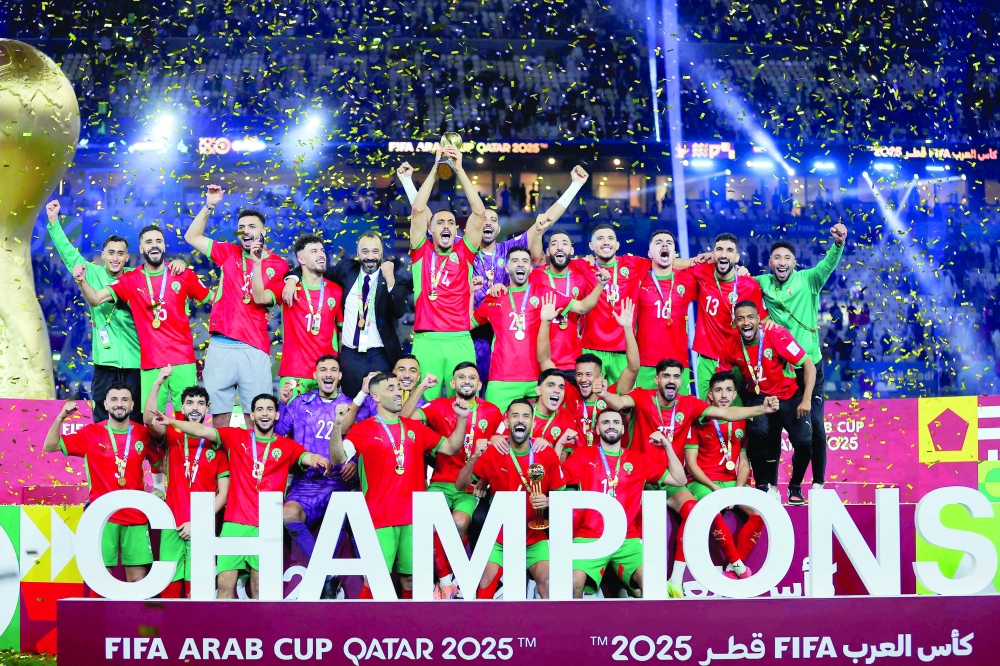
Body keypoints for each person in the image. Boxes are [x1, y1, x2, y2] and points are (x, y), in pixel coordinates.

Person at [597, 359, 779, 598]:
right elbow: (620, 401)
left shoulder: (689, 405)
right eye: (666, 375)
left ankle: (675, 580)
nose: (671, 380)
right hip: (637, 481)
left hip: (670, 480)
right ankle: (625, 586)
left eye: (676, 376)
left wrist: (761, 409)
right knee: (629, 534)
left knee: (694, 509)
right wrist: (604, 394)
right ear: (657, 379)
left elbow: (726, 412)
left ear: (681, 381)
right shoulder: (642, 397)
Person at [150, 394, 332, 599]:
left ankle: (261, 632)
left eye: (269, 409)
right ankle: (219, 632)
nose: (265, 413)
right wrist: (173, 422)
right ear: (252, 415)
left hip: (267, 525)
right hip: (234, 523)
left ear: (277, 414)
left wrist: (318, 459)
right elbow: (202, 430)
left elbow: (307, 457)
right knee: (225, 586)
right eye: (260, 409)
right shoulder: (236, 437)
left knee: (260, 589)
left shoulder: (287, 446)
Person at [338, 371, 470, 599]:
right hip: (379, 518)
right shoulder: (363, 429)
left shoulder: (414, 428)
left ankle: (407, 627)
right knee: (376, 579)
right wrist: (335, 429)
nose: (398, 392)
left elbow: (450, 447)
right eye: (391, 388)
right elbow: (339, 458)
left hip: (412, 518)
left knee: (410, 578)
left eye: (398, 387)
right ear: (376, 397)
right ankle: (363, 629)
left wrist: (461, 419)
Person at [184, 185, 289, 428]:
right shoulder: (227, 252)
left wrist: (257, 263)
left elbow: (261, 298)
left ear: (263, 231)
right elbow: (192, 237)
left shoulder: (278, 264)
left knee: (257, 419)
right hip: (221, 346)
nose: (246, 231)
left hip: (254, 347)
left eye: (252, 226)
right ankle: (222, 466)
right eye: (241, 228)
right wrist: (210, 205)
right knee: (219, 417)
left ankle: (253, 465)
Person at [74, 225, 209, 412]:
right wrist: (82, 281)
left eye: (158, 241)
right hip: (150, 364)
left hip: (183, 360)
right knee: (152, 422)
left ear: (164, 245)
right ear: (141, 249)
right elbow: (96, 299)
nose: (154, 245)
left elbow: (213, 299)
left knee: (188, 417)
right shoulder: (130, 280)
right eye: (149, 242)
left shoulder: (182, 273)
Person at [400, 362, 503, 599]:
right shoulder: (438, 406)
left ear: (479, 384)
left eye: (472, 377)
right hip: (440, 482)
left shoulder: (492, 411)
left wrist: (485, 482)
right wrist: (422, 386)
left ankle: (452, 576)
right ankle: (446, 580)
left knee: (458, 522)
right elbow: (403, 420)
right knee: (430, 523)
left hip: (470, 485)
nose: (467, 381)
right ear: (453, 383)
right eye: (461, 377)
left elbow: (498, 453)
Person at [756, 224, 847, 489]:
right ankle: (771, 486)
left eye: (787, 258)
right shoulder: (762, 282)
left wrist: (838, 244)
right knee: (773, 429)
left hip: (809, 365)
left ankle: (817, 483)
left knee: (816, 425)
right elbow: (742, 290)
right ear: (770, 263)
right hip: (780, 368)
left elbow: (827, 265)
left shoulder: (809, 280)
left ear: (794, 263)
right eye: (777, 258)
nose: (782, 262)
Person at [563, 409, 687, 598]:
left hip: (627, 538)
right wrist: (559, 446)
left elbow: (680, 480)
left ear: (622, 428)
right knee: (572, 585)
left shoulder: (638, 460)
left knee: (653, 585)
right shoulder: (582, 455)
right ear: (597, 429)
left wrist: (667, 446)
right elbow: (555, 482)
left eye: (615, 422)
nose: (611, 425)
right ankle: (578, 628)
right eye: (605, 422)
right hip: (590, 536)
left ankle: (646, 626)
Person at [42, 384, 161, 582]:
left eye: (124, 399)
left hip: (136, 517)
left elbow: (161, 465)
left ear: (132, 405)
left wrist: (160, 487)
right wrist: (61, 417)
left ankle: (132, 615)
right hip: (102, 518)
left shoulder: (143, 434)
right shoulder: (90, 433)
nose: (119, 404)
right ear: (105, 404)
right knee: (102, 580)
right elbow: (50, 446)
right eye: (114, 399)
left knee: (138, 579)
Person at [46, 200, 146, 422]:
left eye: (120, 254)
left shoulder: (136, 277)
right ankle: (104, 457)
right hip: (104, 363)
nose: (115, 258)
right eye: (111, 253)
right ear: (103, 254)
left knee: (136, 420)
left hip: (135, 363)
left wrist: (177, 263)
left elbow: (159, 271)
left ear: (127, 257)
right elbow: (68, 254)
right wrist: (54, 221)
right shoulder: (93, 273)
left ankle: (134, 456)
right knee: (101, 419)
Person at [455, 398, 566, 599]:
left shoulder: (546, 453)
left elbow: (561, 494)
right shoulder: (494, 451)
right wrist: (475, 457)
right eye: (515, 416)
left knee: (549, 583)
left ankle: (549, 630)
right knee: (486, 581)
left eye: (526, 416)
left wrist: (549, 501)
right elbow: (460, 485)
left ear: (533, 423)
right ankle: (484, 630)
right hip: (499, 534)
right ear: (506, 422)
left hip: (534, 535)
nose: (520, 420)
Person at [473, 246, 604, 411]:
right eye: (515, 261)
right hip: (501, 381)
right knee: (495, 432)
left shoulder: (544, 294)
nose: (520, 264)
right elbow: (467, 323)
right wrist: (470, 293)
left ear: (530, 268)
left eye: (525, 261)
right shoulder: (495, 297)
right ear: (506, 268)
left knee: (539, 432)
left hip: (538, 380)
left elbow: (583, 307)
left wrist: (600, 284)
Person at [282, 230, 410, 398]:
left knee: (380, 407)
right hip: (350, 357)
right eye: (365, 251)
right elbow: (314, 269)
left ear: (381, 254)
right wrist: (292, 279)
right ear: (358, 254)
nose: (370, 256)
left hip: (380, 355)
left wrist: (390, 280)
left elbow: (399, 311)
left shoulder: (395, 279)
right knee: (351, 405)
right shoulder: (347, 269)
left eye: (375, 251)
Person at [717, 301, 815, 506]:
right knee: (757, 433)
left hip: (788, 396)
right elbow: (723, 377)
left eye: (750, 317)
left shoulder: (777, 336)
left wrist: (806, 399)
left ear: (759, 320)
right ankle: (762, 485)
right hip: (759, 396)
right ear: (734, 322)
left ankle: (795, 485)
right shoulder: (731, 344)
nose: (746, 322)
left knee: (805, 443)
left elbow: (808, 365)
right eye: (741, 318)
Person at [408, 147, 486, 400]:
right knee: (424, 404)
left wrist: (459, 169)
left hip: (460, 338)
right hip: (426, 340)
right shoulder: (422, 252)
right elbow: (418, 210)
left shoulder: (466, 251)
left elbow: (479, 213)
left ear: (457, 230)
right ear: (430, 230)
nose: (446, 226)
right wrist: (436, 167)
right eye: (439, 222)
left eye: (451, 222)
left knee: (465, 401)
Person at [143, 370, 229, 598]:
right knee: (169, 593)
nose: (194, 407)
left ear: (207, 408)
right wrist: (158, 382)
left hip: (202, 528)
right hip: (171, 522)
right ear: (181, 406)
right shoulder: (172, 434)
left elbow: (224, 493)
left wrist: (199, 522)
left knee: (197, 594)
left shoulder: (217, 443)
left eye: (200, 403)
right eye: (189, 402)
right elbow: (148, 419)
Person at [275, 354, 355, 594]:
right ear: (315, 375)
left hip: (339, 482)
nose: (328, 374)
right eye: (323, 370)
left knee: (347, 521)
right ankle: (328, 575)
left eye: (333, 370)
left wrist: (356, 460)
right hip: (306, 482)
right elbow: (278, 436)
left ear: (340, 376)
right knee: (287, 514)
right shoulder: (300, 403)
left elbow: (366, 437)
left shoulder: (351, 406)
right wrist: (282, 404)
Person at [684, 372, 763, 581]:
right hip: (703, 482)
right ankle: (739, 566)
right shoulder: (699, 420)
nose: (724, 394)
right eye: (718, 390)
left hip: (732, 483)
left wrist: (737, 489)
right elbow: (691, 465)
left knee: (758, 513)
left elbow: (744, 461)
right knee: (711, 512)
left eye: (728, 390)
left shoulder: (743, 422)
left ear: (735, 393)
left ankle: (731, 568)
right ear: (710, 394)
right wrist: (714, 488)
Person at [539, 297, 640, 457]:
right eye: (579, 374)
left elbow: (633, 368)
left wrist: (628, 329)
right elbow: (544, 360)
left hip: (607, 464)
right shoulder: (570, 394)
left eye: (588, 375)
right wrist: (545, 322)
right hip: (577, 463)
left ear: (600, 376)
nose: (582, 379)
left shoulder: (611, 395)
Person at [255, 234, 343, 401]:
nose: (321, 255)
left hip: (326, 374)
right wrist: (257, 265)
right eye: (314, 251)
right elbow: (260, 298)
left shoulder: (336, 290)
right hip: (294, 374)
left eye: (322, 251)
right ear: (301, 259)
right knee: (289, 426)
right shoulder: (288, 288)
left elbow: (341, 334)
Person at [689, 233, 767, 400]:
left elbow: (762, 323)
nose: (724, 254)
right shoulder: (702, 272)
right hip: (707, 358)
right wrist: (703, 258)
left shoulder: (750, 285)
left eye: (729, 250)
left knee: (738, 418)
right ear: (713, 253)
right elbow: (671, 265)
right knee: (706, 414)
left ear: (737, 257)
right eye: (719, 250)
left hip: (737, 360)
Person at [570, 224, 651, 382]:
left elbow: (668, 264)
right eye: (600, 239)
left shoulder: (632, 264)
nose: (606, 242)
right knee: (590, 400)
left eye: (610, 238)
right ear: (591, 246)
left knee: (620, 401)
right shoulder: (583, 265)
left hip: (622, 350)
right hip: (590, 349)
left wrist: (695, 260)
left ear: (618, 245)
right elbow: (546, 261)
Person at [528, 230, 600, 372]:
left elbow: (587, 308)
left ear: (572, 251)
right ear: (548, 251)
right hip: (538, 360)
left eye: (565, 243)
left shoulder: (580, 279)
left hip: (572, 360)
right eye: (555, 244)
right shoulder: (535, 276)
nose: (560, 247)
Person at [634, 230, 697, 391]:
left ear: (674, 253)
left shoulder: (688, 279)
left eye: (669, 242)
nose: (664, 244)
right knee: (643, 415)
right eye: (658, 242)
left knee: (679, 415)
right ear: (649, 253)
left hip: (678, 365)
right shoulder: (638, 278)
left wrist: (741, 271)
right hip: (645, 364)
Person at [343, 354, 427, 432]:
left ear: (418, 377)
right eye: (402, 370)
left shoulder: (425, 407)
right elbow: (344, 429)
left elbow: (398, 427)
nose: (407, 375)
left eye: (412, 371)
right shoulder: (374, 400)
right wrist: (363, 393)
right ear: (394, 373)